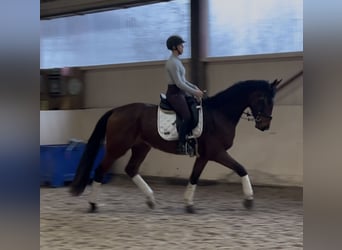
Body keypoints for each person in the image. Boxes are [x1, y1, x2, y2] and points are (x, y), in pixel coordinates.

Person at [165, 35, 204, 154]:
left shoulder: (177, 61)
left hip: (181, 93)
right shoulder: (171, 63)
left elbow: (184, 81)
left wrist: (195, 88)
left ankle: (191, 138)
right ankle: (181, 144)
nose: (183, 47)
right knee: (186, 116)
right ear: (174, 47)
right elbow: (179, 83)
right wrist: (194, 92)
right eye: (181, 45)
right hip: (174, 94)